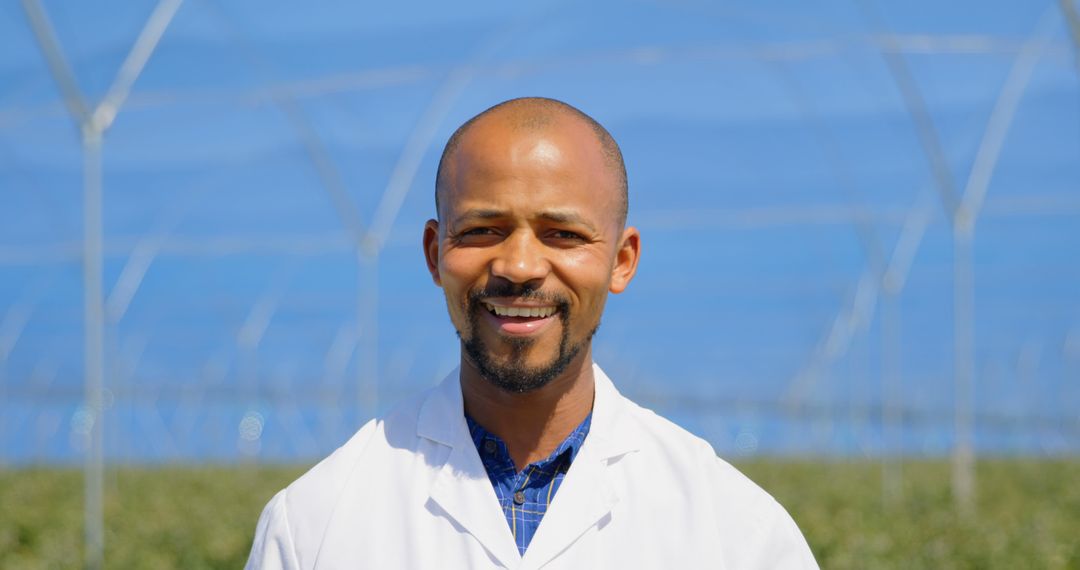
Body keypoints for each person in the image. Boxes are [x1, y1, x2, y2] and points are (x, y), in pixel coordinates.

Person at [245, 97, 818, 569]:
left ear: (622, 260)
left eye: (562, 234)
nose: (519, 265)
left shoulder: (738, 533)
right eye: (483, 229)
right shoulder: (317, 524)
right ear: (434, 253)